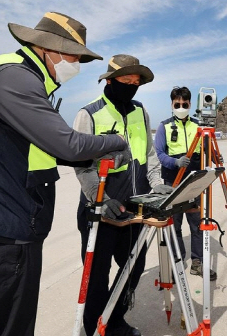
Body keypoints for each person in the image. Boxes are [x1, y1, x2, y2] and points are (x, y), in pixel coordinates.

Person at [0, 12, 131, 336]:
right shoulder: (15, 78)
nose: (76, 65)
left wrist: (89, 158)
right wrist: (113, 141)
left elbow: (41, 150)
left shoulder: (23, 79)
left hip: (3, 226)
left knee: (5, 323)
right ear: (48, 47)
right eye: (73, 55)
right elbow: (66, 143)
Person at [73, 54, 171, 336]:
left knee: (134, 266)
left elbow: (150, 155)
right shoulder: (89, 113)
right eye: (126, 80)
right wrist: (100, 199)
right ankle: (95, 328)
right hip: (100, 211)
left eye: (136, 81)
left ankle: (113, 320)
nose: (132, 85)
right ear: (111, 80)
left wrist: (157, 184)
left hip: (135, 209)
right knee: (96, 277)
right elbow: (81, 166)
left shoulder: (141, 112)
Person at [154, 86, 217, 280]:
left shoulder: (198, 125)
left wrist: (212, 151)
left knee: (197, 224)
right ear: (172, 104)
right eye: (177, 104)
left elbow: (209, 154)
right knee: (175, 224)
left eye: (184, 104)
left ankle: (197, 262)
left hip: (194, 182)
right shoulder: (164, 126)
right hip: (173, 181)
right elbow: (160, 154)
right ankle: (176, 262)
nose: (181, 107)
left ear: (191, 104)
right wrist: (175, 162)